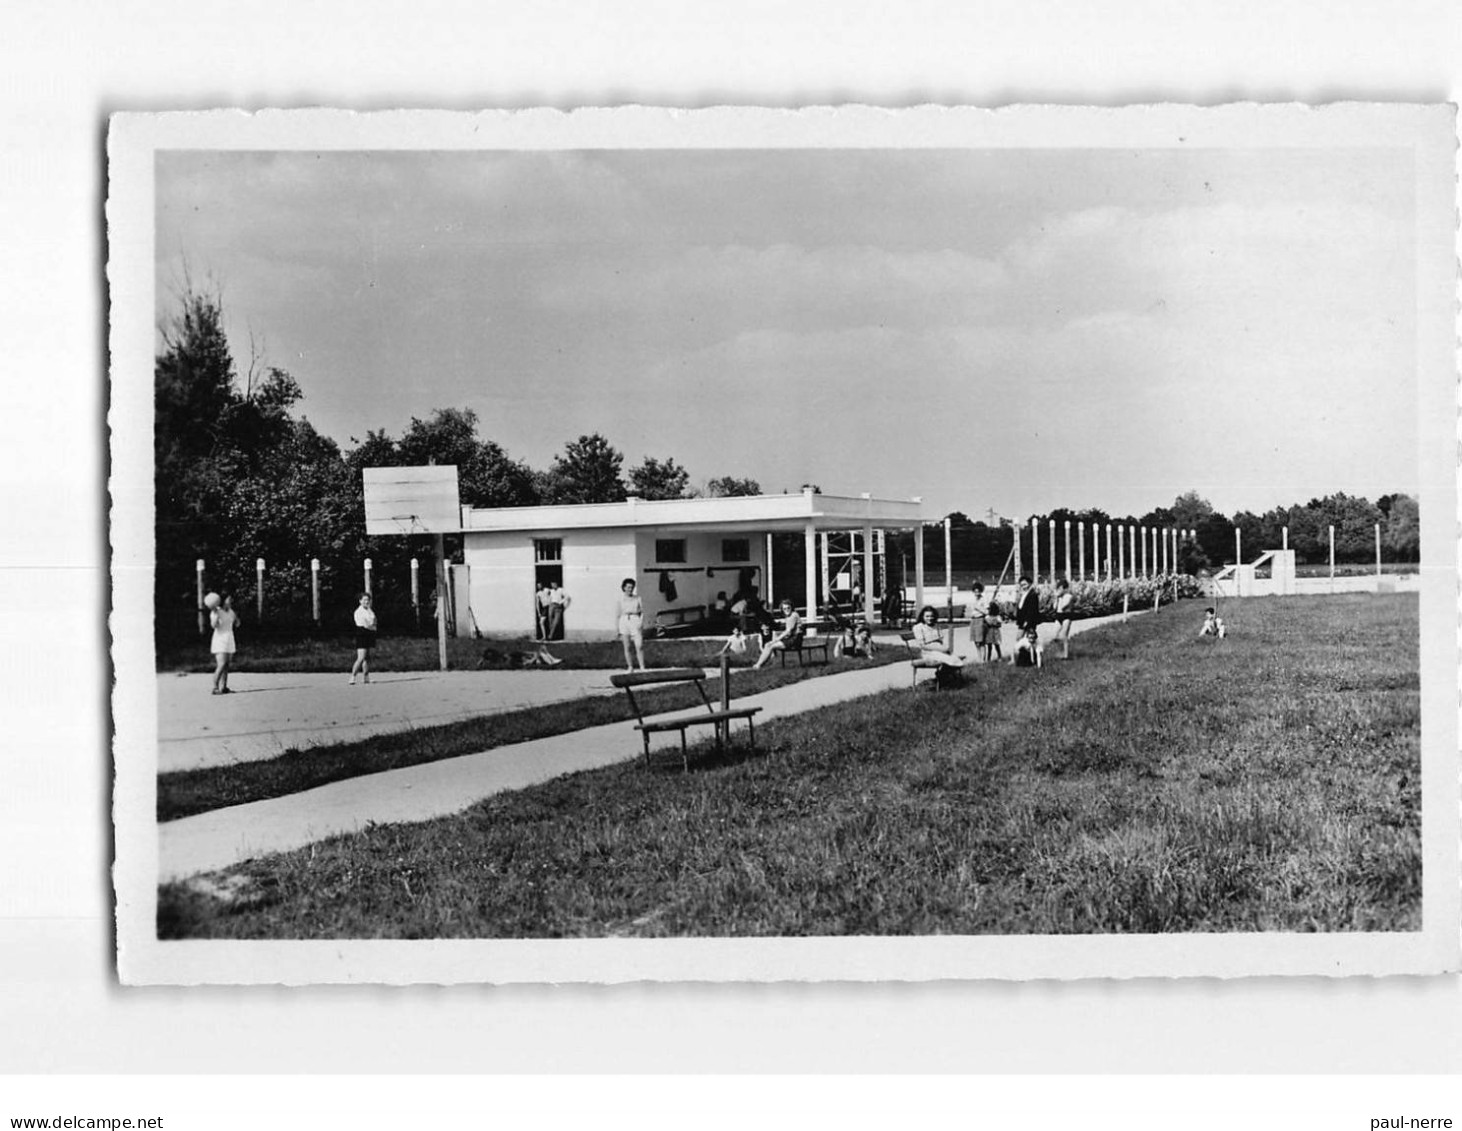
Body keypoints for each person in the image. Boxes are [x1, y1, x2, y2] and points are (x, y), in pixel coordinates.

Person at [913, 605, 964, 685]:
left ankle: (942, 677)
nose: (930, 618)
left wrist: (944, 648)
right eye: (927, 616)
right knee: (950, 661)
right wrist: (940, 649)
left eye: (932, 616)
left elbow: (941, 641)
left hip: (939, 650)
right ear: (922, 617)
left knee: (955, 660)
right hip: (928, 652)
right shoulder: (918, 627)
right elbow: (923, 646)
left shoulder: (936, 626)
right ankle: (942, 678)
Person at [753, 598, 803, 669]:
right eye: (784, 609)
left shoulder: (793, 615)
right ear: (782, 609)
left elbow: (788, 631)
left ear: (792, 607)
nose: (787, 610)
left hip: (795, 640)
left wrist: (776, 640)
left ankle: (759, 665)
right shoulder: (788, 617)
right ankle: (759, 664)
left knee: (770, 645)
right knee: (768, 644)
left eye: (788, 608)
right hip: (790, 639)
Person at [207, 593, 238, 695]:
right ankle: (215, 687)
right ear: (224, 600)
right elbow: (213, 625)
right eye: (229, 599)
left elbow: (237, 623)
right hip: (220, 639)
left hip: (229, 638)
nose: (231, 601)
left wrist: (236, 618)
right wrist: (216, 615)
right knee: (221, 664)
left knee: (226, 665)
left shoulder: (231, 612)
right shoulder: (216, 611)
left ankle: (223, 687)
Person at [616, 577, 647, 671]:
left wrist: (641, 623)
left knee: (639, 645)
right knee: (627, 646)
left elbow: (642, 612)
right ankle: (630, 667)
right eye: (628, 587)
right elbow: (617, 615)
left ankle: (642, 667)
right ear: (624, 588)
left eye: (632, 587)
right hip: (624, 621)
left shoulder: (638, 598)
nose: (630, 589)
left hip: (635, 619)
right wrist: (617, 629)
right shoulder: (620, 599)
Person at [1013, 576, 1042, 668]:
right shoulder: (1023, 594)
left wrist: (1027, 621)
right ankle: (1025, 660)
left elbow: (1032, 610)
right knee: (1023, 640)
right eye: (1021, 585)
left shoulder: (1033, 595)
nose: (1023, 586)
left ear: (1029, 584)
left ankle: (1030, 660)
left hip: (1029, 621)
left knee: (1026, 640)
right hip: (1022, 621)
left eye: (1025, 584)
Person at [350, 592, 377, 684]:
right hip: (362, 633)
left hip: (370, 633)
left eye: (368, 600)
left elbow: (374, 621)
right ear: (360, 601)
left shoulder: (370, 610)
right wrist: (371, 625)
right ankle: (353, 676)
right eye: (364, 600)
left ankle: (366, 677)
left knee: (367, 657)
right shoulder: (358, 612)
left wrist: (372, 625)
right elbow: (365, 624)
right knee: (361, 657)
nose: (366, 601)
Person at [968, 582, 996, 662]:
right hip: (973, 620)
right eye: (975, 591)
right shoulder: (972, 599)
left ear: (981, 591)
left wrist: (978, 607)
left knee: (981, 641)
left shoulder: (984, 599)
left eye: (978, 591)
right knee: (975, 641)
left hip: (980, 620)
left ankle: (983, 660)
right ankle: (979, 657)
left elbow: (987, 611)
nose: (977, 593)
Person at [1052, 578, 1074, 660]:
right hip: (1059, 616)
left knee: (1063, 636)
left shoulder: (1068, 596)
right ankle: (1059, 652)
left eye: (1061, 589)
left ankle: (1065, 654)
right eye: (1058, 589)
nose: (1059, 590)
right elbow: (1054, 607)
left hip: (1066, 616)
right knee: (1055, 635)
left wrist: (1059, 597)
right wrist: (1056, 599)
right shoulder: (1058, 597)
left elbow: (1063, 607)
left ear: (1065, 589)